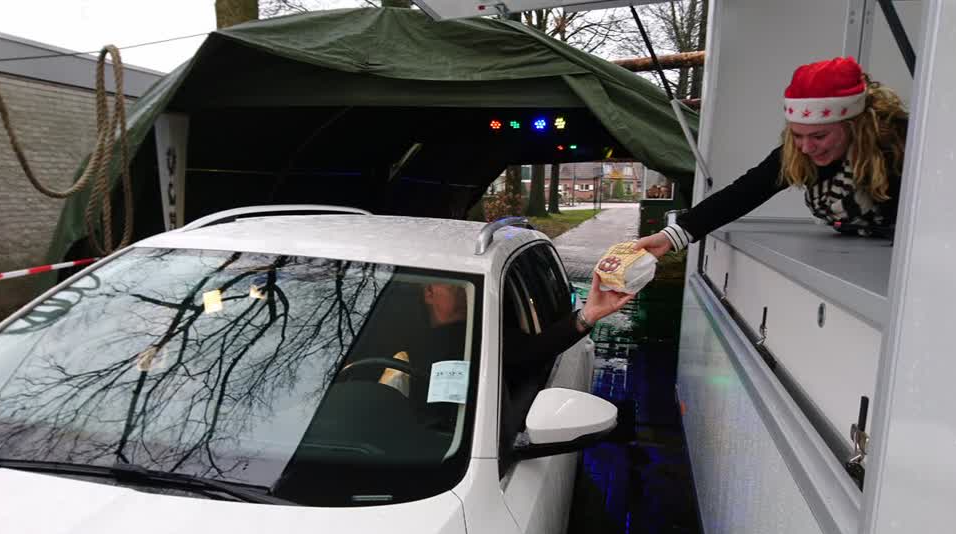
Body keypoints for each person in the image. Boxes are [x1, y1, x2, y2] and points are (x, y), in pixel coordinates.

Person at [635, 56, 909, 257]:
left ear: (854, 126)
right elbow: (746, 191)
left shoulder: (898, 151)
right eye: (797, 135)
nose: (806, 148)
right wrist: (673, 236)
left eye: (819, 136)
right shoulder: (796, 152)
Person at [379, 272, 633, 398]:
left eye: (463, 285)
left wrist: (586, 316)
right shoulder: (398, 343)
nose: (462, 291)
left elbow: (537, 349)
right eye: (452, 284)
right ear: (429, 294)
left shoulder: (493, 338)